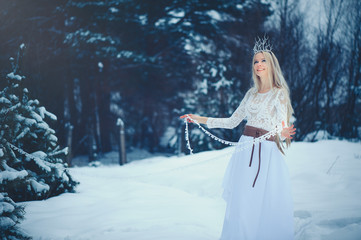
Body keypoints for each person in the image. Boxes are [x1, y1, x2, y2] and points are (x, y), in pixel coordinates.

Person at [180, 39, 296, 240]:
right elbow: (232, 122)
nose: (258, 65)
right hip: (245, 151)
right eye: (255, 62)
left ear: (271, 65)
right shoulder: (251, 94)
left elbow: (281, 124)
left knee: (263, 202)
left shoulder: (279, 93)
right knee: (241, 203)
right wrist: (197, 118)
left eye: (263, 61)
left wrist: (283, 133)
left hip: (267, 155)